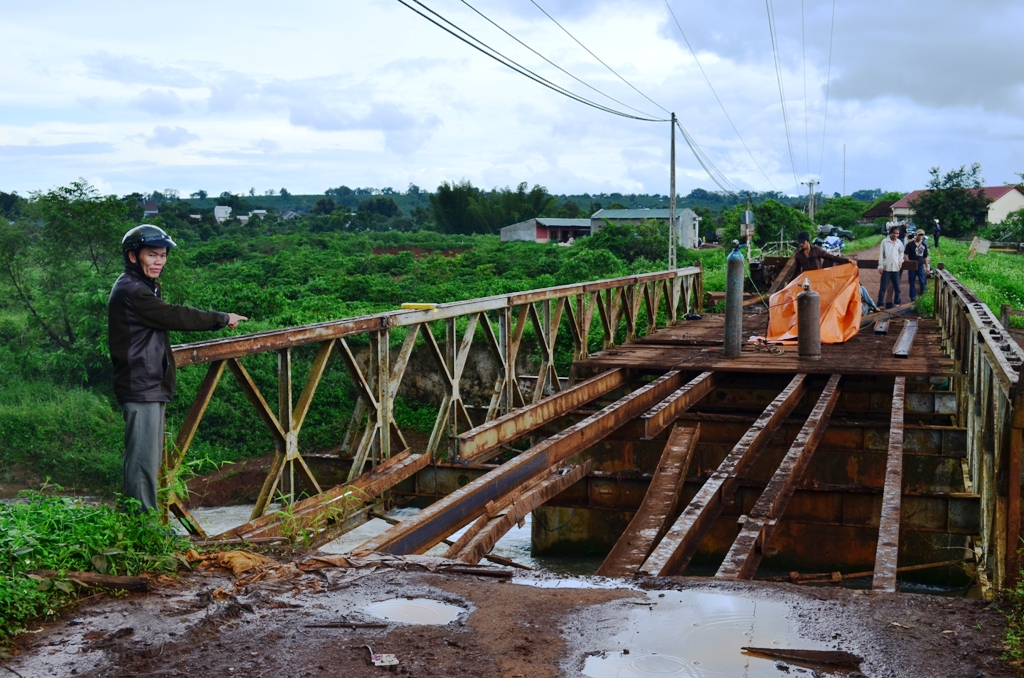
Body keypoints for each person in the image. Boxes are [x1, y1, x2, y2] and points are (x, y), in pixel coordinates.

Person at [108, 225, 248, 513]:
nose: (159, 261)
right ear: (134, 257)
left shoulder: (145, 285)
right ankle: (143, 528)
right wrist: (220, 318)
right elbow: (174, 315)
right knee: (142, 463)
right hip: (140, 384)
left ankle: (143, 524)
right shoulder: (133, 291)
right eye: (152, 255)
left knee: (148, 460)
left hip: (149, 383)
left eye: (163, 255)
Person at [877, 225, 905, 309]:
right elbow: (881, 254)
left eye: (897, 233)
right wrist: (880, 266)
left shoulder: (899, 242)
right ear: (890, 233)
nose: (895, 235)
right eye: (894, 233)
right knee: (883, 287)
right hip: (887, 268)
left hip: (896, 268)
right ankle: (880, 304)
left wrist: (900, 261)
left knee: (897, 287)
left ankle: (897, 303)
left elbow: (901, 252)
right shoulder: (885, 242)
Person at [905, 229, 931, 301]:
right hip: (912, 266)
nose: (921, 236)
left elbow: (925, 257)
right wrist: (908, 262)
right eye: (919, 234)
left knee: (922, 281)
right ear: (916, 235)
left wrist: (927, 266)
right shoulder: (910, 244)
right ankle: (913, 298)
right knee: (912, 282)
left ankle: (923, 297)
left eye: (922, 235)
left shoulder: (924, 245)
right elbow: (906, 254)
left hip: (920, 266)